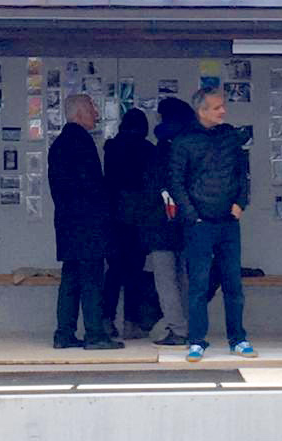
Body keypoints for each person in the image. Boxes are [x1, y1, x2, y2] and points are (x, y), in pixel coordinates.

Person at [169, 86, 255, 362]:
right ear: (202, 110)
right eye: (217, 107)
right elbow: (175, 182)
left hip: (229, 222)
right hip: (199, 224)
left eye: (223, 106)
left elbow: (243, 173)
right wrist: (192, 215)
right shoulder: (183, 141)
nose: (223, 110)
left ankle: (238, 339)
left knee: (233, 283)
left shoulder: (230, 136)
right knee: (198, 284)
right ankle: (196, 340)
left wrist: (241, 203)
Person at [48, 94, 124, 350]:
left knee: (70, 278)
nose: (97, 115)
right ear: (80, 113)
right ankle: (95, 333)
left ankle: (64, 332)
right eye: (92, 109)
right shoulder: (82, 143)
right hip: (88, 224)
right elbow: (93, 187)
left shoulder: (59, 144)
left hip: (67, 222)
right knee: (92, 279)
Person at [145, 97, 200, 347]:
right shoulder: (194, 144)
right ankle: (188, 324)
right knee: (185, 277)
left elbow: (153, 185)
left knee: (166, 280)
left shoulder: (163, 148)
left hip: (160, 221)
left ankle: (177, 329)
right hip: (188, 221)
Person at [101, 108, 157, 339]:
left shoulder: (111, 149)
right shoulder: (148, 150)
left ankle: (106, 319)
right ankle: (131, 322)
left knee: (113, 273)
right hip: (139, 221)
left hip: (114, 219)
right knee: (134, 272)